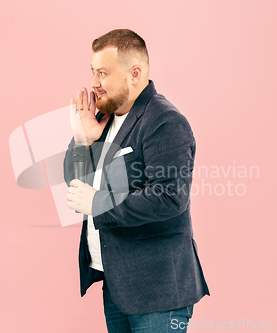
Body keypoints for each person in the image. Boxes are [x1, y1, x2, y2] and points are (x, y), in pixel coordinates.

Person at [64, 29, 209, 333]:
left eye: (102, 72)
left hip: (157, 292)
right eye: (92, 71)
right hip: (119, 284)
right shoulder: (103, 120)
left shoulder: (164, 121)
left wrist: (99, 203)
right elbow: (75, 187)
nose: (94, 83)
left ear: (134, 73)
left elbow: (169, 196)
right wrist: (82, 141)